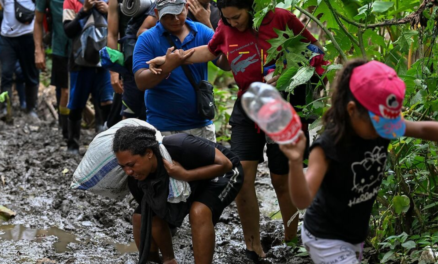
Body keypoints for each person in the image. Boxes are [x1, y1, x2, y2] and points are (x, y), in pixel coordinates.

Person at [147, 0, 321, 261]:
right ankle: (253, 246)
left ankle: (291, 241)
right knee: (241, 176)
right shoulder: (225, 27)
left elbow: (315, 50)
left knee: (280, 180)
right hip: (247, 104)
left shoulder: (281, 18)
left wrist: (296, 74)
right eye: (226, 19)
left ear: (251, 8)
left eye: (237, 17)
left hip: (284, 105)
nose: (232, 23)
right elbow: (210, 50)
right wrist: (171, 59)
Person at [279, 60, 438, 263]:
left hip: (353, 235)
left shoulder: (382, 124)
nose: (385, 132)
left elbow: (423, 129)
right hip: (325, 237)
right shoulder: (328, 146)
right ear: (352, 110)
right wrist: (294, 162)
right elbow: (303, 200)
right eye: (379, 126)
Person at [113, 126, 243, 264]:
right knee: (141, 217)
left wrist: (185, 175)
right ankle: (163, 261)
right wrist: (169, 258)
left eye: (131, 165)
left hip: (222, 173)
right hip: (190, 183)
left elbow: (226, 164)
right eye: (123, 167)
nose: (128, 172)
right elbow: (155, 217)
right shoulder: (136, 180)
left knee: (198, 211)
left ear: (149, 153)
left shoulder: (179, 144)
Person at [132, 0, 229, 142]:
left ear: (187, 8)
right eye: (168, 15)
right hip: (164, 127)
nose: (175, 19)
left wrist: (228, 48)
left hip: (201, 125)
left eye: (178, 13)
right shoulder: (147, 39)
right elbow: (141, 82)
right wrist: (168, 66)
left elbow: (224, 64)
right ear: (157, 14)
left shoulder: (202, 31)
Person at [63, 0, 113, 154]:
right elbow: (68, 31)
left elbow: (119, 28)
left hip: (104, 61)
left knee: (107, 101)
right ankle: (73, 144)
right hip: (80, 62)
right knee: (77, 103)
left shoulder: (109, 2)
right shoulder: (71, 2)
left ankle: (107, 145)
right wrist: (84, 11)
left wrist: (108, 11)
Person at [107, 0, 157, 124]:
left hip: (157, 60)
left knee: (152, 113)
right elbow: (112, 34)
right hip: (131, 62)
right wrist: (114, 71)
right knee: (129, 114)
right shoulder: (116, 2)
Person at [34, 0, 71, 139]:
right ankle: (65, 130)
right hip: (60, 48)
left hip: (85, 49)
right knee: (63, 90)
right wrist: (38, 50)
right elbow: (38, 20)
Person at [0, 0, 40, 121]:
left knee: (31, 74)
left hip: (28, 35)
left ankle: (31, 108)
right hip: (7, 37)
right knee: (6, 74)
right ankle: (5, 108)